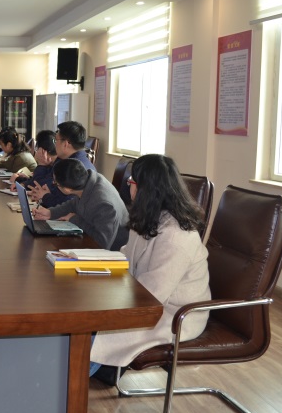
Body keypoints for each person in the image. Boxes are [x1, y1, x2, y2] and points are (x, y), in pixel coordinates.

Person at [89, 154, 211, 384]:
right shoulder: (149, 218)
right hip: (145, 301)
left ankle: (76, 375)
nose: (129, 186)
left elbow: (152, 296)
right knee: (83, 317)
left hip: (174, 315)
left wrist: (105, 295)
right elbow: (127, 258)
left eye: (131, 182)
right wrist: (91, 267)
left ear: (145, 189)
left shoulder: (176, 237)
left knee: (90, 335)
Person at [33, 158, 129, 250]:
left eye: (55, 183)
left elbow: (102, 243)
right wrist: (50, 212)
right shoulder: (89, 181)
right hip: (91, 239)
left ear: (68, 189)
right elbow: (73, 203)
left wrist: (74, 219)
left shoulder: (104, 205)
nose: (53, 183)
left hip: (111, 252)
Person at [28, 121, 95, 205]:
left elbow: (68, 203)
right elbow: (46, 182)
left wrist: (45, 197)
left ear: (66, 144)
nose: (55, 144)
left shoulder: (74, 167)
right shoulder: (63, 159)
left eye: (56, 140)